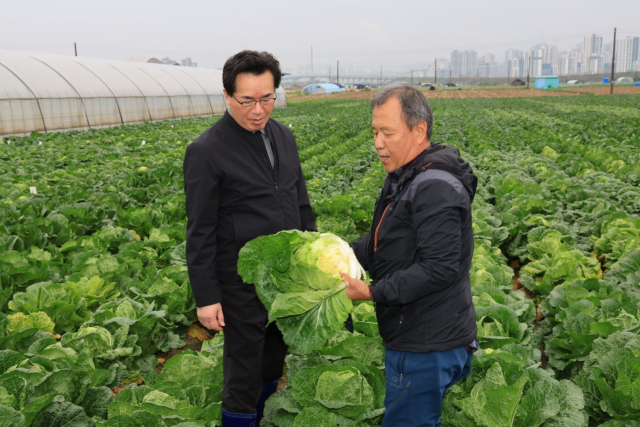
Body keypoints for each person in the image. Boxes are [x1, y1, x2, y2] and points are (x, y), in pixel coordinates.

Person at [183, 50, 316, 427]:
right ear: (227, 96)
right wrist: (206, 297)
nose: (258, 109)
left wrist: (312, 259)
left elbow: (301, 204)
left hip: (283, 276)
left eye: (267, 98)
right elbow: (200, 230)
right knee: (243, 369)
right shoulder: (207, 151)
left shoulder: (283, 137)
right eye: (247, 101)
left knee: (274, 357)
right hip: (240, 282)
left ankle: (261, 417)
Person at [341, 84, 478, 427]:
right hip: (422, 333)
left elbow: (438, 269)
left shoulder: (433, 185)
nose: (378, 143)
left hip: (425, 343)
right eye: (374, 132)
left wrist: (372, 292)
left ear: (419, 131)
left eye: (387, 132)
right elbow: (387, 239)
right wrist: (340, 253)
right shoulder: (406, 175)